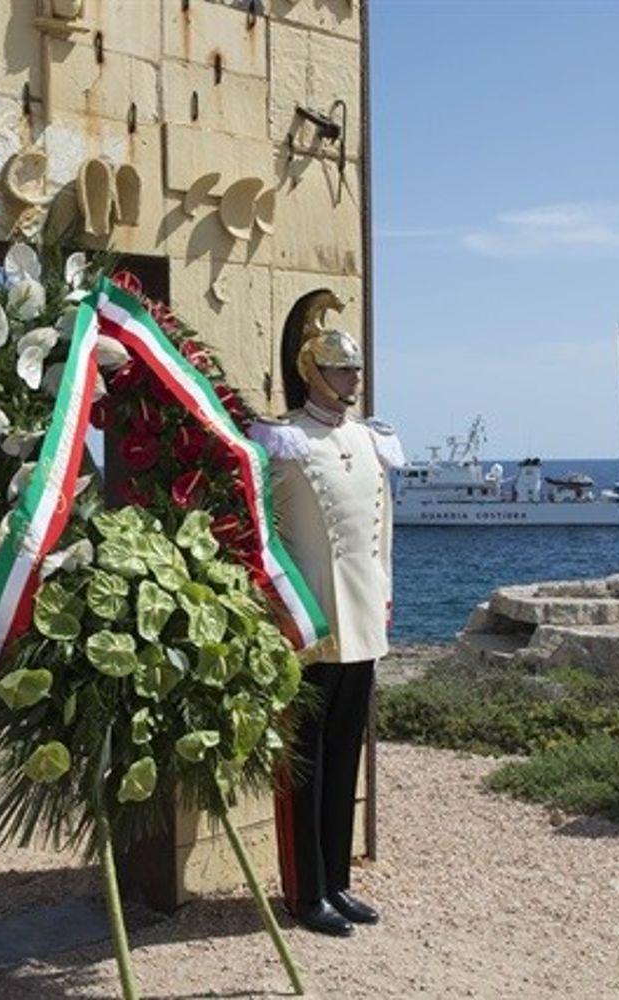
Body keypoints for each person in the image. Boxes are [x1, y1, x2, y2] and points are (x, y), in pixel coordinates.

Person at [250, 325, 402, 937]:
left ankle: (337, 880)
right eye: (341, 371)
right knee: (304, 761)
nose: (353, 381)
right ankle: (304, 891)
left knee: (344, 755)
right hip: (308, 620)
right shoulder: (282, 439)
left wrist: (385, 597)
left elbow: (382, 533)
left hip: (361, 619)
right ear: (312, 371)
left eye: (355, 371)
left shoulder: (373, 440)